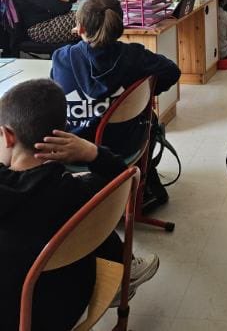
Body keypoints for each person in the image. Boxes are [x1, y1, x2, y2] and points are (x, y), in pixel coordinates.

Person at [0, 79, 158, 331]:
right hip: (67, 308)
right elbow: (124, 176)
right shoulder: (82, 192)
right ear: (64, 131)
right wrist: (93, 153)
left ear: (8, 136)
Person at [51, 0, 180, 158]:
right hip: (125, 146)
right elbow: (172, 72)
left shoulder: (62, 58)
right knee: (151, 119)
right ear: (118, 24)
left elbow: (54, 99)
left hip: (74, 148)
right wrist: (146, 93)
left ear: (80, 28)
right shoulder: (135, 56)